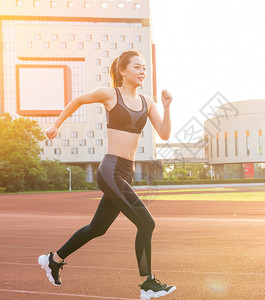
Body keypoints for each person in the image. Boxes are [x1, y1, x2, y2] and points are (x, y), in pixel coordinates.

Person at [38, 50, 176, 300]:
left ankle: (54, 260)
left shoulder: (148, 102)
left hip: (127, 172)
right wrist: (56, 124)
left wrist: (166, 108)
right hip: (111, 170)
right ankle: (148, 284)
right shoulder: (110, 94)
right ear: (123, 71)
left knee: (97, 228)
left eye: (144, 67)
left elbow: (164, 134)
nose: (142, 70)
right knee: (147, 223)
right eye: (137, 66)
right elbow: (79, 100)